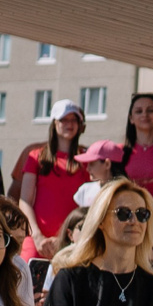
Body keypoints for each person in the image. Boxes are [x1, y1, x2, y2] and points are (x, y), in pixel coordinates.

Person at [13, 99, 90, 257]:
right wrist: (37, 236)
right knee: (27, 272)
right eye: (64, 119)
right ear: (54, 123)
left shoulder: (86, 159)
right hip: (37, 240)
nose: (69, 124)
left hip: (72, 241)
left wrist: (71, 238)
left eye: (74, 119)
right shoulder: (36, 156)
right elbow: (25, 200)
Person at [71, 140, 126, 209]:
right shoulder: (85, 190)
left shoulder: (125, 193)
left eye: (91, 163)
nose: (87, 169)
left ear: (107, 164)